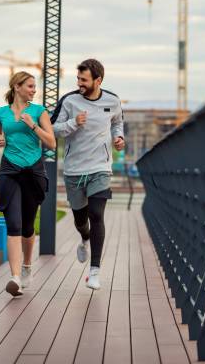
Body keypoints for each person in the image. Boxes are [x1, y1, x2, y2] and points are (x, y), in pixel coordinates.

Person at [51, 59, 124, 290]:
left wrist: (118, 138)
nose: (79, 83)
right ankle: (84, 238)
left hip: (100, 167)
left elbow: (117, 123)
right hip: (74, 170)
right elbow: (52, 129)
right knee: (81, 220)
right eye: (78, 79)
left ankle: (95, 271)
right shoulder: (70, 101)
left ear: (98, 80)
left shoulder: (112, 100)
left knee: (96, 214)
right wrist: (73, 123)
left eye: (84, 79)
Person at [0, 71, 56, 296]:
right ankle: (15, 278)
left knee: (28, 226)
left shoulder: (39, 112)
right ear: (17, 87)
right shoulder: (1, 113)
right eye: (29, 86)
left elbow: (52, 142)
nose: (34, 90)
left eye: (34, 86)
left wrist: (33, 126)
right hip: (9, 170)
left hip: (34, 172)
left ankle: (27, 266)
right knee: (14, 225)